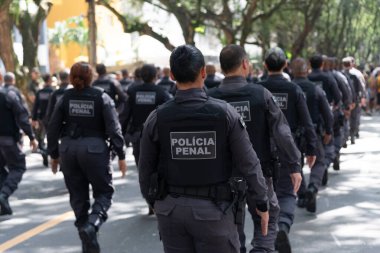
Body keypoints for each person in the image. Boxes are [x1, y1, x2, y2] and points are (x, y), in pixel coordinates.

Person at [139, 44, 269, 253]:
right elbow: (249, 163)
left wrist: (156, 204)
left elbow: (145, 168)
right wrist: (262, 201)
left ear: (172, 74)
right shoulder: (225, 113)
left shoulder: (157, 117)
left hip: (171, 212)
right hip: (214, 213)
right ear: (203, 72)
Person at [207, 45, 302, 253]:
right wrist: (294, 165)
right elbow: (282, 133)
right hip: (260, 175)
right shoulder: (261, 94)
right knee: (267, 220)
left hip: (221, 179)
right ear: (244, 64)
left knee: (232, 229)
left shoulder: (209, 98)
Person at [47, 62, 127, 253]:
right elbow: (114, 129)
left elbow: (52, 127)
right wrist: (121, 155)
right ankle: (92, 225)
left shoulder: (65, 97)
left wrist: (54, 155)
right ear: (91, 77)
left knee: (78, 198)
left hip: (68, 151)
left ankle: (88, 242)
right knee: (104, 193)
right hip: (94, 151)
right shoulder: (102, 97)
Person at [258, 47, 318, 253]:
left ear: (265, 65)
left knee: (264, 194)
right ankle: (282, 225)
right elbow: (307, 121)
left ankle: (267, 235)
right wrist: (312, 148)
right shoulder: (293, 89)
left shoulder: (256, 89)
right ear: (285, 65)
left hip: (260, 151)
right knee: (286, 193)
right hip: (288, 148)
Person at [291, 58, 334, 213]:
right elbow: (327, 113)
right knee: (319, 162)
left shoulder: (289, 88)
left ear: (292, 70)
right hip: (313, 133)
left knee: (296, 164)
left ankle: (302, 194)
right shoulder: (315, 89)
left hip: (291, 136)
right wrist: (329, 131)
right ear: (306, 70)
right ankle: (313, 187)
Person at [0, 77, 38, 215]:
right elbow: (22, 116)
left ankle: (4, 203)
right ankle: (4, 195)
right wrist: (32, 137)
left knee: (1, 171)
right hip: (7, 140)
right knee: (18, 167)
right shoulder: (8, 96)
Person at [121, 64, 171, 167]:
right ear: (155, 76)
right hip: (157, 136)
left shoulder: (133, 92)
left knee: (141, 169)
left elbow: (125, 115)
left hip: (138, 136)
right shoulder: (161, 92)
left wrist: (122, 135)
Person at [32, 74, 54, 167]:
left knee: (41, 137)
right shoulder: (53, 91)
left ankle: (44, 151)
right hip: (51, 118)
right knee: (51, 137)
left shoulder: (39, 92)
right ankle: (51, 154)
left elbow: (35, 106)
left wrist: (34, 118)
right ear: (49, 80)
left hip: (41, 118)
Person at [342, 57, 365, 145]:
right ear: (351, 64)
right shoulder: (357, 74)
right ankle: (351, 135)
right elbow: (361, 88)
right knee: (354, 118)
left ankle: (345, 137)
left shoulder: (340, 74)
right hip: (353, 101)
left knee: (345, 119)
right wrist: (361, 98)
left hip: (344, 102)